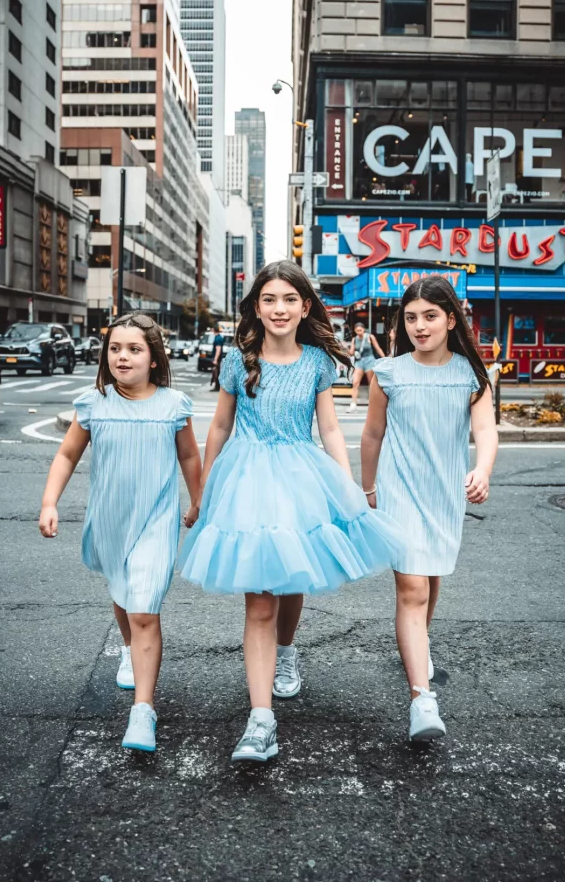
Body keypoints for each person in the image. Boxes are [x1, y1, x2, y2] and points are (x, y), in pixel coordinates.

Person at [178, 261, 396, 764]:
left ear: (305, 307)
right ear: (257, 306)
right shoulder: (237, 360)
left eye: (289, 299)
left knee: (292, 576)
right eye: (269, 299)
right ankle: (261, 721)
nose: (279, 308)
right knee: (259, 600)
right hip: (246, 479)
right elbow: (219, 429)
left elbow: (332, 429)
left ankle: (287, 650)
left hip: (301, 474)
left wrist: (349, 485)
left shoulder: (318, 363)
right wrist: (205, 488)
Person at [39, 314, 201, 752]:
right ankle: (130, 649)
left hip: (156, 520)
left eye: (134, 349)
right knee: (122, 592)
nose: (122, 356)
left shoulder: (173, 405)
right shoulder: (95, 404)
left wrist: (198, 500)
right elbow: (67, 455)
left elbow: (188, 458)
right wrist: (50, 502)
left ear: (153, 358)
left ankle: (143, 712)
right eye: (115, 348)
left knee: (144, 608)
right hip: (110, 519)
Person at [361, 276, 498, 743]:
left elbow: (487, 431)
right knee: (413, 588)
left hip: (444, 493)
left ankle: (418, 644)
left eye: (431, 316)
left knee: (431, 578)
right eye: (412, 317)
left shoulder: (471, 376)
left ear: (450, 319)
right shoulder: (390, 372)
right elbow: (373, 434)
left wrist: (482, 469)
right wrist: (368, 486)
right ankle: (422, 698)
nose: (420, 326)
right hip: (399, 489)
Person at [347, 322, 385, 413]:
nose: (359, 332)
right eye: (357, 330)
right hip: (359, 362)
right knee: (355, 382)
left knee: (371, 383)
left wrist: (385, 359)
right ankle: (353, 404)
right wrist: (347, 349)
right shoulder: (354, 339)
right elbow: (351, 353)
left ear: (364, 329)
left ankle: (374, 404)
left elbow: (377, 348)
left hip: (369, 361)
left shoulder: (369, 337)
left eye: (360, 330)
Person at [209, 327, 225, 391]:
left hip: (217, 358)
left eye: (212, 329)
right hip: (218, 358)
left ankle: (217, 387)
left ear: (214, 330)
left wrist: (215, 359)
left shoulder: (218, 338)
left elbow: (218, 349)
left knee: (216, 373)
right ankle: (216, 386)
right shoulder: (219, 337)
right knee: (216, 372)